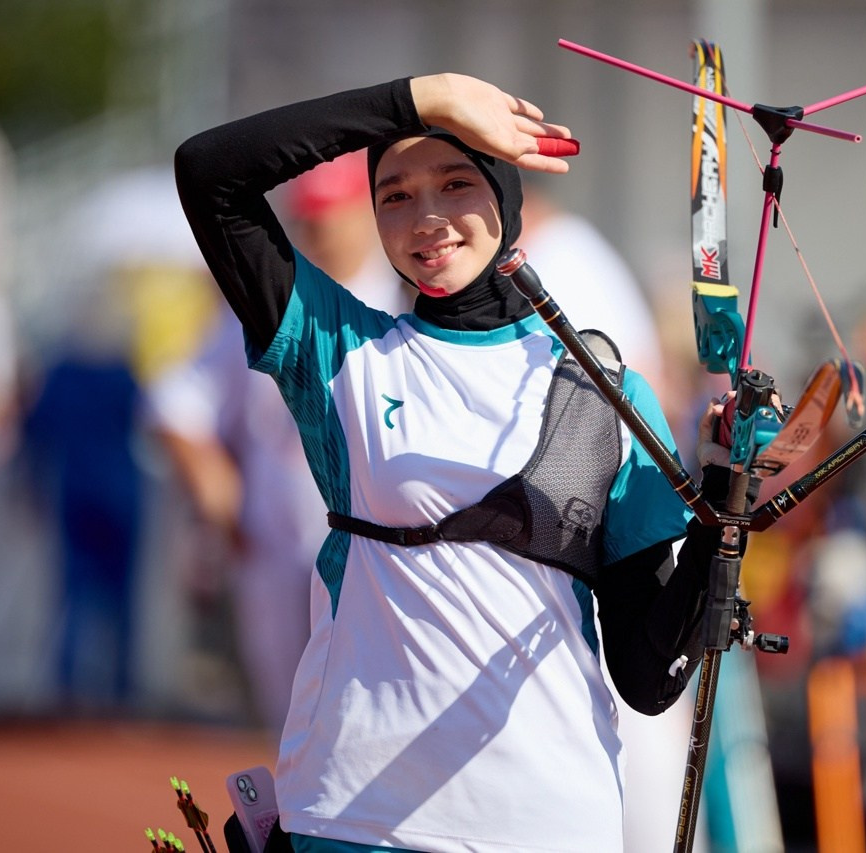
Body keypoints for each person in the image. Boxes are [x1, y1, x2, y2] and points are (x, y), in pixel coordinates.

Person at [174, 72, 730, 852]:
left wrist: (718, 519)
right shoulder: (339, 350)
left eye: (457, 182)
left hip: (551, 823)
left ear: (506, 190)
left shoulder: (603, 391)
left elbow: (647, 676)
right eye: (395, 195)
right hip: (355, 813)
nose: (426, 217)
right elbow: (209, 175)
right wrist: (419, 100)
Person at [146, 153, 404, 730]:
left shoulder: (406, 302)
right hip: (273, 545)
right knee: (289, 722)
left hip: (378, 552)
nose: (320, 231)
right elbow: (176, 400)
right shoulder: (269, 303)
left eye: (331, 216)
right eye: (309, 219)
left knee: (373, 721)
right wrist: (210, 477)